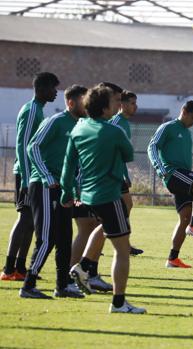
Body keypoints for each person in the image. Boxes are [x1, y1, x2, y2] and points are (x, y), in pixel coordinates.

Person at [62, 85, 145, 313]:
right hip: (109, 194)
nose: (118, 105)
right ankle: (118, 303)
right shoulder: (113, 131)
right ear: (104, 106)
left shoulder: (79, 127)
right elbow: (128, 154)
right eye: (114, 101)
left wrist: (66, 193)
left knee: (103, 229)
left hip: (88, 196)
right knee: (121, 248)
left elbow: (68, 164)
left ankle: (85, 266)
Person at [19, 84, 88, 299]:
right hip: (43, 186)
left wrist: (75, 188)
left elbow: (77, 162)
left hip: (63, 190)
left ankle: (62, 286)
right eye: (83, 101)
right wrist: (47, 176)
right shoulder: (56, 121)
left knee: (65, 238)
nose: (87, 105)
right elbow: (33, 147)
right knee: (46, 238)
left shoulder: (81, 126)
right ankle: (28, 286)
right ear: (71, 103)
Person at [1, 72, 58, 282]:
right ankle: (8, 268)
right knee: (24, 219)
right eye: (53, 88)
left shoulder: (39, 110)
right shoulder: (32, 110)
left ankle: (20, 268)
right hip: (25, 174)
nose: (56, 92)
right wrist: (25, 179)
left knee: (31, 221)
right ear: (42, 88)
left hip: (31, 174)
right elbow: (23, 145)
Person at [70, 82, 123, 293]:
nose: (119, 105)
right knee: (87, 229)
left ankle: (89, 274)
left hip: (95, 187)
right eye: (116, 100)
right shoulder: (89, 124)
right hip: (89, 187)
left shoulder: (105, 124)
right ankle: (71, 277)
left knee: (96, 228)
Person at [148, 101, 193, 268]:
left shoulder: (186, 132)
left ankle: (172, 259)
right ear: (184, 111)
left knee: (184, 217)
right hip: (172, 173)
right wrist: (160, 168)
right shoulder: (168, 127)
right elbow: (152, 146)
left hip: (182, 176)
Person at [110, 90, 144, 257]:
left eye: (135, 103)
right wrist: (122, 175)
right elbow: (113, 150)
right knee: (116, 208)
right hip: (111, 173)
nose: (135, 106)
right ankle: (121, 243)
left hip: (118, 172)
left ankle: (124, 243)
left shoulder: (124, 122)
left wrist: (126, 174)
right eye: (132, 103)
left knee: (125, 206)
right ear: (122, 105)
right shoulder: (116, 122)